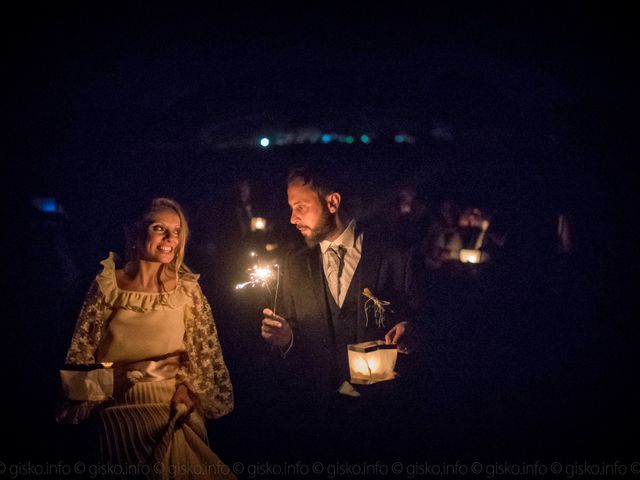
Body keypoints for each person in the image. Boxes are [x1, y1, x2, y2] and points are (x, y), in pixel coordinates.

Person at [57, 197, 235, 479]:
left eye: (176, 231)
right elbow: (79, 360)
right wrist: (113, 380)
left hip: (171, 408)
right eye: (159, 228)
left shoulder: (187, 291)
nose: (170, 239)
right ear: (135, 233)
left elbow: (203, 356)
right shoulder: (106, 286)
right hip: (117, 410)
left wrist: (188, 390)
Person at [260, 166, 422, 461]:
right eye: (290, 208)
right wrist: (286, 337)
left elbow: (420, 314)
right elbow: (294, 329)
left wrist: (410, 329)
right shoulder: (295, 263)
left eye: (300, 207)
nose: (292, 218)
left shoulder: (394, 253)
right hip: (321, 415)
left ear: (332, 203)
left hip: (383, 416)